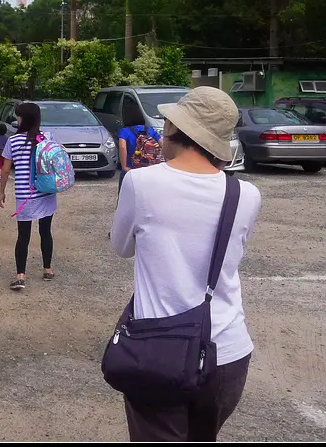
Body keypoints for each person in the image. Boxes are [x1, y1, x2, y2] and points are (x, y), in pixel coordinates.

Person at [111, 86, 261, 441]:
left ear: (175, 130)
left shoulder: (140, 182)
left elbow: (121, 248)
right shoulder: (246, 194)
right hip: (228, 355)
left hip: (159, 352)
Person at [0, 103, 55, 290]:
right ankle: (47, 269)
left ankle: (21, 275)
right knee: (45, 231)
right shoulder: (46, 138)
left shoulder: (13, 141)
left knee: (23, 235)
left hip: (25, 195)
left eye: (18, 116)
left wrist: (2, 191)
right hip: (46, 191)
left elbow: (6, 169)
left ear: (23, 118)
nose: (17, 119)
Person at [117, 101, 163, 193]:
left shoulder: (124, 131)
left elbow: (122, 148)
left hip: (132, 169)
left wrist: (124, 166)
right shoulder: (150, 129)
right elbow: (162, 144)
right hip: (149, 169)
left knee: (125, 195)